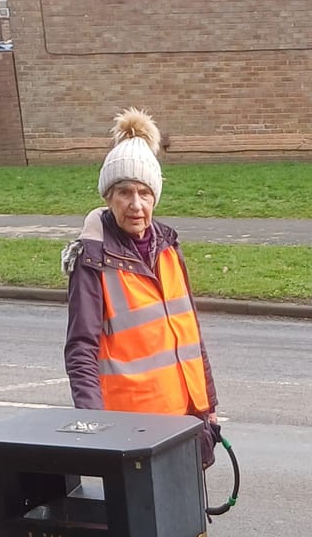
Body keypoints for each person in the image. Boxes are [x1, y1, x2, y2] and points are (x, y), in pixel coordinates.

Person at [63, 109, 220, 464]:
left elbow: (191, 333)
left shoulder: (168, 247)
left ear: (155, 197)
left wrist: (207, 405)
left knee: (188, 519)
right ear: (108, 197)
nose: (136, 205)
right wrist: (93, 424)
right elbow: (81, 350)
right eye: (124, 192)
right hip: (130, 431)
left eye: (144, 193)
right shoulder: (92, 260)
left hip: (183, 421)